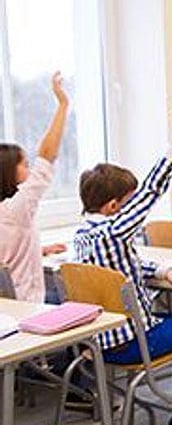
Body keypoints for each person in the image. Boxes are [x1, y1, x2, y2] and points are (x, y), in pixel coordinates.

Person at [74, 104, 172, 425]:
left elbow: (120, 269)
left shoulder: (84, 235)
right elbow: (150, 192)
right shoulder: (113, 230)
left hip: (96, 343)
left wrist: (162, 273)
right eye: (128, 203)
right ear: (115, 207)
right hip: (131, 341)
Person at [0, 72, 68, 303]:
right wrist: (63, 105)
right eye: (25, 164)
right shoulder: (16, 208)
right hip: (28, 305)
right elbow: (47, 155)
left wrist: (38, 250)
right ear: (9, 170)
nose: (30, 170)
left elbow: (6, 257)